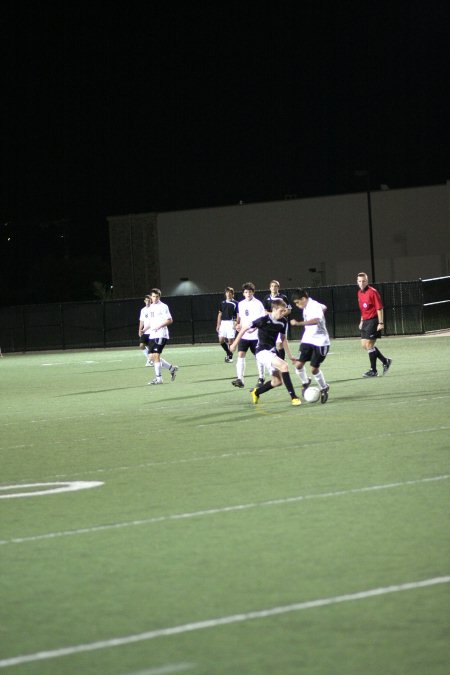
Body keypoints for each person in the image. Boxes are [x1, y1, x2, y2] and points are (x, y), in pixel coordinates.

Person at [230, 299, 301, 406]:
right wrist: (234, 344)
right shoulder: (263, 320)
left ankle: (256, 392)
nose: (283, 313)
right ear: (274, 309)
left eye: (284, 311)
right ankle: (294, 397)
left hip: (272, 352)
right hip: (262, 352)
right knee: (284, 366)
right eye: (281, 311)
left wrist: (290, 355)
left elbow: (283, 339)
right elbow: (244, 328)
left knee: (277, 382)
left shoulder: (283, 322)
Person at [289, 288, 330, 404]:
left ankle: (324, 387)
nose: (297, 305)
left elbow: (316, 320)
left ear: (303, 299)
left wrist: (299, 323)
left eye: (297, 302)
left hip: (321, 342)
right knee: (298, 365)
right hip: (307, 339)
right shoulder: (309, 305)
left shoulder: (314, 305)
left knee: (313, 368)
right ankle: (305, 381)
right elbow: (324, 307)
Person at [357, 272, 392, 377]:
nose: (361, 283)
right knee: (364, 345)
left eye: (363, 281)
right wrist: (362, 320)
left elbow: (379, 308)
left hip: (374, 320)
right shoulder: (359, 293)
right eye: (359, 281)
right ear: (357, 282)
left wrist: (381, 322)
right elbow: (363, 309)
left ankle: (373, 370)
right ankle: (385, 361)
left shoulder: (373, 292)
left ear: (367, 281)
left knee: (369, 345)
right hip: (366, 321)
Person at [231, 282, 266, 388]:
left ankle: (261, 378)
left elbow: (262, 319)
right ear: (243, 293)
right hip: (244, 335)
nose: (248, 294)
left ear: (253, 292)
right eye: (246, 292)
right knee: (240, 355)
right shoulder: (240, 304)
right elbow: (241, 318)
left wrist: (255, 328)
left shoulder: (258, 303)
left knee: (259, 357)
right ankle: (240, 379)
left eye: (250, 292)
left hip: (256, 336)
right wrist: (238, 325)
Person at [142, 288, 179, 384]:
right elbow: (151, 322)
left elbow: (170, 320)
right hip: (152, 335)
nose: (155, 298)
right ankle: (172, 369)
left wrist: (159, 326)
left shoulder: (163, 306)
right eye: (153, 296)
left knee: (156, 355)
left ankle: (159, 379)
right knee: (151, 357)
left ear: (159, 297)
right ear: (150, 297)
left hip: (161, 334)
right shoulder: (150, 307)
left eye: (157, 296)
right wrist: (144, 329)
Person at [263, 279, 291, 359]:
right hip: (270, 323)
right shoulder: (266, 298)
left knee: (280, 343)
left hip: (280, 323)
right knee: (271, 344)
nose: (273, 288)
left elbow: (289, 310)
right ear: (270, 288)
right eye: (272, 286)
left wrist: (280, 315)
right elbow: (265, 311)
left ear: (278, 287)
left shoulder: (283, 297)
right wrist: (274, 315)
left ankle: (282, 361)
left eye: (275, 286)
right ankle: (275, 362)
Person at [216, 287, 238, 363]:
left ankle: (230, 357)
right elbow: (219, 314)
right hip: (223, 323)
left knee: (230, 341)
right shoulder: (222, 303)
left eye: (230, 293)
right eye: (227, 292)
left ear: (232, 294)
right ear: (225, 294)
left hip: (231, 322)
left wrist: (236, 323)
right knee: (221, 340)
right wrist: (218, 325)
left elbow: (238, 315)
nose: (228, 294)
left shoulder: (236, 303)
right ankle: (229, 353)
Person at [138, 295, 153, 366]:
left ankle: (150, 361)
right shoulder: (143, 310)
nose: (148, 301)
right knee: (141, 345)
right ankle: (150, 359)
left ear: (151, 301)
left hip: (153, 331)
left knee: (150, 347)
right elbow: (141, 321)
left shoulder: (153, 309)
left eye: (149, 300)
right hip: (145, 331)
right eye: (146, 300)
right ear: (144, 301)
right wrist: (140, 330)